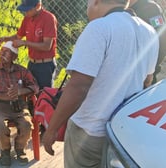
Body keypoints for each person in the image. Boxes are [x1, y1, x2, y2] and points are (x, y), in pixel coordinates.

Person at [42, 0, 159, 167]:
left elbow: (79, 86)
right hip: (123, 133)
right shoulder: (150, 32)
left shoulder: (99, 27)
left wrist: (52, 129)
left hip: (89, 130)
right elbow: (147, 82)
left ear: (95, 1)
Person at [0, 41, 39, 167]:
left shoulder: (22, 71)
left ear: (14, 57)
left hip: (19, 105)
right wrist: (1, 96)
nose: (2, 53)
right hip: (1, 106)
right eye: (1, 51)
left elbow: (35, 87)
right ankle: (5, 150)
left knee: (27, 124)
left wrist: (21, 91)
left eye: (6, 51)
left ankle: (20, 148)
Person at [0, 0, 58, 90]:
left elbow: (46, 46)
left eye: (28, 9)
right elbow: (18, 36)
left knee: (43, 94)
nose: (25, 12)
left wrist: (25, 43)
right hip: (32, 63)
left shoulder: (49, 18)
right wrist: (4, 39)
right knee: (30, 92)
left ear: (38, 6)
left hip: (45, 65)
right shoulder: (27, 18)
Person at [130, 0, 166, 84]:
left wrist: (149, 69)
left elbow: (165, 40)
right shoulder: (118, 8)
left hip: (144, 78)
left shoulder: (150, 8)